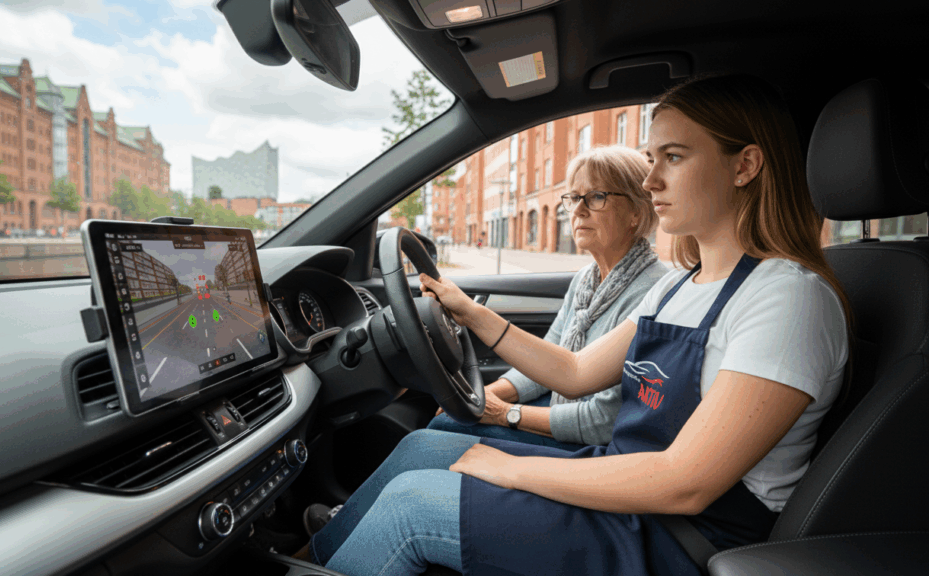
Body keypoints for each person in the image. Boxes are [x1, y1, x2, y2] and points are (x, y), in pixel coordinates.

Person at [307, 74, 854, 576]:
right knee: (420, 451)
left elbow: (685, 483)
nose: (651, 180)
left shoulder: (788, 299)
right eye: (651, 158)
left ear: (745, 165)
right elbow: (573, 372)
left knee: (412, 506)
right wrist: (471, 312)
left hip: (680, 536)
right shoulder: (679, 286)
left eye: (673, 157)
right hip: (627, 486)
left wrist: (512, 468)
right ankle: (311, 560)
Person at [426, 145, 669, 450]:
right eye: (574, 198)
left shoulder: (650, 292)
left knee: (444, 428)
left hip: (596, 446)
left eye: (596, 197)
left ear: (636, 211)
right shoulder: (586, 280)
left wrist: (504, 413)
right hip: (565, 411)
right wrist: (487, 395)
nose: (578, 210)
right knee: (453, 419)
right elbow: (546, 364)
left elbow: (605, 420)